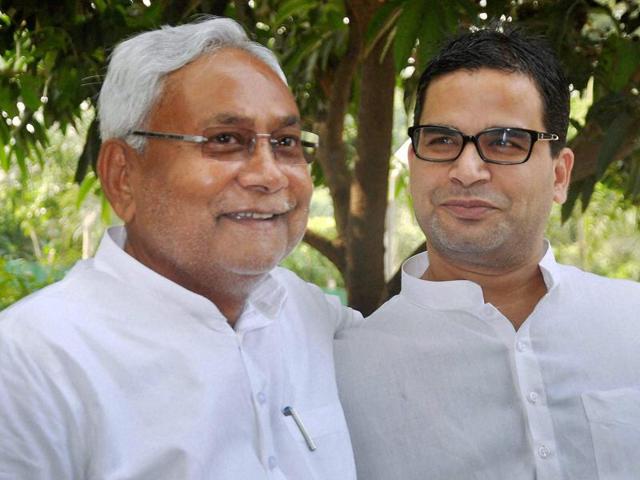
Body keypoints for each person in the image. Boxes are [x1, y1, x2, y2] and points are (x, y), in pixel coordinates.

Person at [0, 17, 361, 480]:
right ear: (122, 177)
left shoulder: (307, 314)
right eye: (226, 140)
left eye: (286, 142)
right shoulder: (33, 362)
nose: (270, 174)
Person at [335, 27, 640, 480]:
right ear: (414, 161)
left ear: (560, 175)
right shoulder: (346, 372)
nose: (466, 170)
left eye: (503, 142)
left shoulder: (630, 320)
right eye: (441, 140)